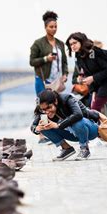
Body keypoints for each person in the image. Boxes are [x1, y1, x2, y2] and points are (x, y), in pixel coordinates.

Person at [30, 10, 69, 144]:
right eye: (51, 27)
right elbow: (32, 61)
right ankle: (42, 135)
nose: (54, 29)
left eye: (55, 27)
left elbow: (64, 62)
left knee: (54, 106)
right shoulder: (38, 43)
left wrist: (65, 74)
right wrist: (46, 58)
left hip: (56, 81)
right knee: (43, 105)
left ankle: (53, 132)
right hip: (42, 80)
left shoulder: (60, 44)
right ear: (45, 27)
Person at [30, 89, 100, 161]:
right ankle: (67, 148)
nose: (47, 111)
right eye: (43, 109)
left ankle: (84, 149)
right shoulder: (44, 111)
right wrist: (37, 129)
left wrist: (58, 125)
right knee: (44, 127)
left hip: (90, 130)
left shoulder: (67, 99)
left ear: (55, 101)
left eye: (49, 107)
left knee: (77, 121)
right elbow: (33, 126)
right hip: (73, 135)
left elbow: (78, 114)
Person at [66, 32, 107, 113]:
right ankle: (100, 125)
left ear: (81, 41)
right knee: (94, 108)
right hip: (98, 86)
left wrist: (93, 78)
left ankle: (99, 125)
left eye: (75, 43)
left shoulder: (94, 52)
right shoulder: (79, 55)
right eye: (71, 44)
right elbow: (88, 74)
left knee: (95, 109)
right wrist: (93, 91)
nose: (72, 46)